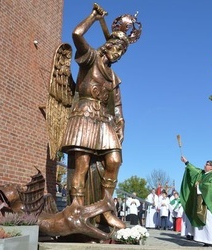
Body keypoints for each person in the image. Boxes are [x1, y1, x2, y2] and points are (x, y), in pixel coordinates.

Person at [60, 4, 141, 229]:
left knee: (114, 160)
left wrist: (122, 123)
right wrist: (94, 17)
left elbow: (117, 107)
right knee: (82, 164)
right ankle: (76, 207)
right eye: (117, 49)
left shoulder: (114, 78)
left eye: (122, 52)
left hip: (104, 121)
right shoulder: (90, 58)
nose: (118, 54)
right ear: (108, 46)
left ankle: (106, 208)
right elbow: (76, 34)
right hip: (85, 115)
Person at [180, 156, 212, 247]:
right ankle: (206, 240)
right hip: (203, 202)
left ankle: (211, 241)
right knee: (205, 223)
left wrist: (199, 185)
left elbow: (209, 187)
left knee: (210, 222)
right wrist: (186, 162)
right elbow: (195, 170)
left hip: (210, 204)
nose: (204, 165)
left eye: (207, 165)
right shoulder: (203, 174)